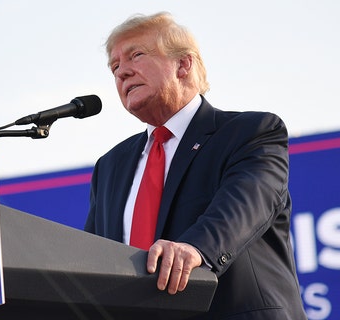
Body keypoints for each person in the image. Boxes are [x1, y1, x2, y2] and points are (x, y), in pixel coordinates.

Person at [84, 12, 307, 319]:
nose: (122, 72)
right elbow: (93, 262)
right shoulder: (109, 167)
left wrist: (196, 248)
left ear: (183, 64)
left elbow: (244, 205)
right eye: (114, 66)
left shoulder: (251, 132)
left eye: (136, 55)